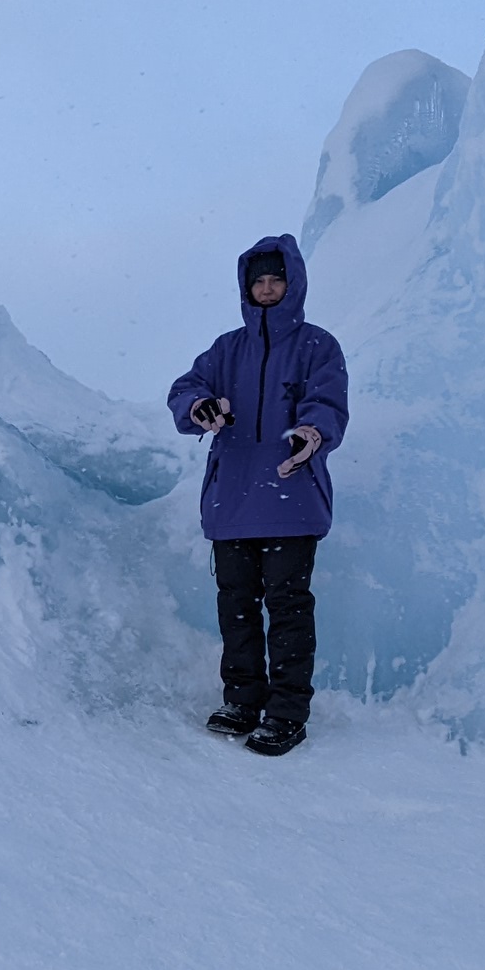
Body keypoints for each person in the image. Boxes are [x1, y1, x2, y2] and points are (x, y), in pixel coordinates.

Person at [167, 234, 349, 757]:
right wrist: (200, 407)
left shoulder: (319, 345)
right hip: (233, 501)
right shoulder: (227, 349)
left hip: (292, 498)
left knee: (289, 609)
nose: (267, 289)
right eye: (259, 281)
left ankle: (287, 712)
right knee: (237, 607)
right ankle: (243, 700)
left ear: (293, 285)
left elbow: (328, 404)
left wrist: (310, 434)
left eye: (276, 280)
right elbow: (185, 389)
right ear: (247, 288)